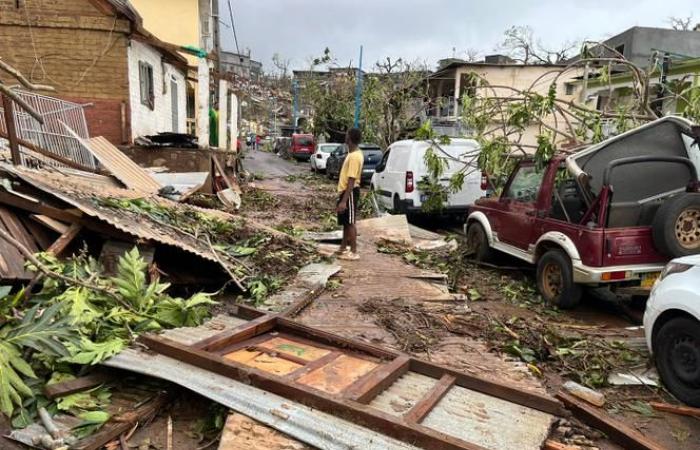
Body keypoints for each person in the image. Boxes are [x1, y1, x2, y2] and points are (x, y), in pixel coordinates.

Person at [335, 128, 363, 261]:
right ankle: (343, 248)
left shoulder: (355, 156)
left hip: (349, 192)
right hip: (345, 192)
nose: (345, 136)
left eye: (347, 134)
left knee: (350, 222)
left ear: (350, 138)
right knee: (346, 222)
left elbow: (352, 180)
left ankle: (354, 251)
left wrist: (343, 201)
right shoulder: (352, 154)